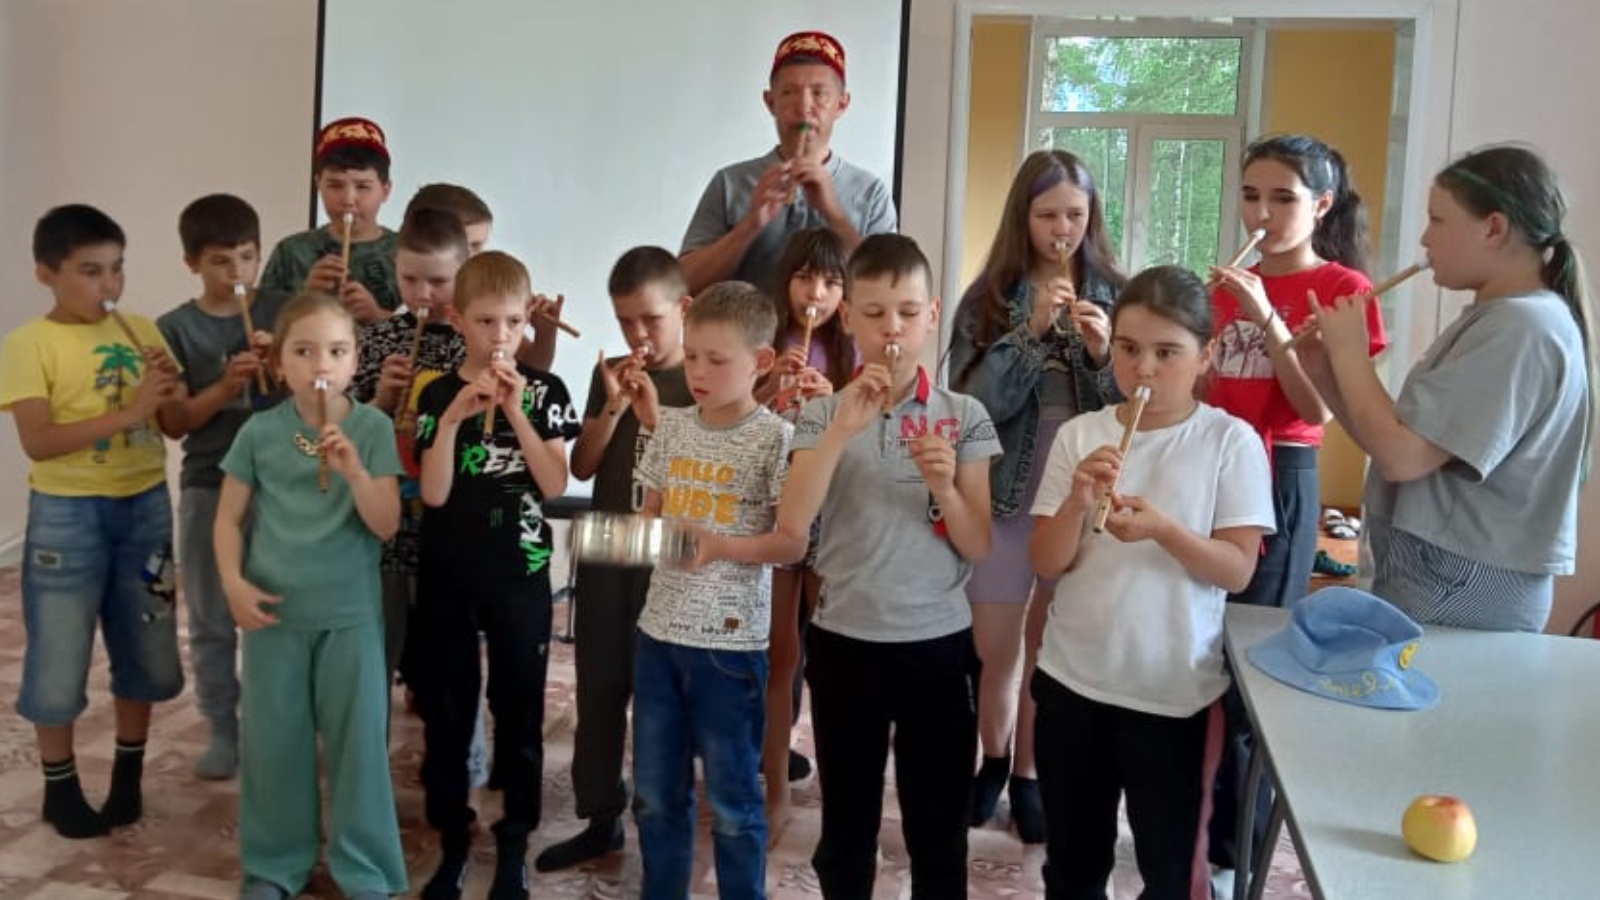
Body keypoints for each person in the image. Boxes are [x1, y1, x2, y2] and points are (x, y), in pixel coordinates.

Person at [1028, 265, 1275, 900]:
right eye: (1130, 349)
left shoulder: (1230, 442)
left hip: (1172, 698)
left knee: (1170, 873)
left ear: (1205, 356)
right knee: (1073, 868)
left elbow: (1237, 568)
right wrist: (1077, 501)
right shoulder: (1082, 435)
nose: (1144, 369)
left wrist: (1164, 530)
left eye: (1167, 353)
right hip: (1072, 683)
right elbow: (1047, 563)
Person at [775, 234, 1000, 898]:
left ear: (932, 315)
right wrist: (842, 428)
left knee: (939, 830)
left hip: (938, 645)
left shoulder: (964, 416)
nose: (891, 329)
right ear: (847, 318)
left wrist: (946, 489)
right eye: (873, 313)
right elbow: (793, 525)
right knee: (847, 828)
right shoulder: (821, 414)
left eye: (906, 312)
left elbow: (978, 543)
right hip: (845, 642)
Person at [1304, 144, 1593, 633]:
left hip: (1466, 582)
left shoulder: (1522, 326)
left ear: (1493, 228)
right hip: (1447, 573)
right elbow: (1393, 442)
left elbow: (1402, 457)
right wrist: (1323, 367)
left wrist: (1352, 354)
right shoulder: (1503, 319)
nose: (1425, 238)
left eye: (1437, 220)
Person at [946, 149, 1124, 841]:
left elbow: (1133, 410)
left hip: (1074, 499)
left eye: (1075, 214)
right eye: (1048, 215)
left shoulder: (1116, 292)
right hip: (1002, 495)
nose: (1063, 229)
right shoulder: (989, 297)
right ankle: (990, 756)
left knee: (1046, 647)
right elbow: (971, 405)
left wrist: (1106, 356)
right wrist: (1030, 335)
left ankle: (1027, 774)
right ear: (1023, 216)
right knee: (992, 646)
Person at [0, 204, 184, 838]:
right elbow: (40, 441)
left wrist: (173, 392)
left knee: (147, 643)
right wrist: (131, 411)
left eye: (117, 268)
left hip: (146, 504)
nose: (109, 285)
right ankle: (60, 788)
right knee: (59, 648)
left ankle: (129, 779)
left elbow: (174, 425)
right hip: (66, 514)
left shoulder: (142, 331)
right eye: (90, 271)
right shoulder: (27, 344)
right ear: (45, 273)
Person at [215, 292, 406, 900]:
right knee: (274, 744)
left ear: (355, 362)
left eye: (337, 350)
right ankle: (275, 866)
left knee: (358, 749)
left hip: (349, 616)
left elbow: (386, 524)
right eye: (303, 351)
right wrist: (233, 583)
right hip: (274, 614)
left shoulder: (373, 428)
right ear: (279, 362)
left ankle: (365, 869)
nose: (321, 363)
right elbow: (227, 520)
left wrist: (354, 471)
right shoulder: (258, 432)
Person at [409, 251, 579, 900]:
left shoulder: (546, 391)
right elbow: (434, 493)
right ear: (458, 320)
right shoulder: (435, 392)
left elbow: (555, 483)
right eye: (485, 322)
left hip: (520, 576)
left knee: (520, 710)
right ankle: (453, 841)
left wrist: (515, 412)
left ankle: (514, 841)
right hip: (448, 575)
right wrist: (454, 418)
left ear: (527, 318)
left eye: (512, 321)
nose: (500, 335)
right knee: (449, 713)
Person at [632, 280, 797, 899]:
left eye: (716, 360)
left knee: (732, 804)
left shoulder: (775, 438)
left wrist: (719, 546)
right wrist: (643, 533)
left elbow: (790, 545)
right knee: (654, 796)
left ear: (761, 362)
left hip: (730, 650)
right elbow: (649, 514)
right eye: (693, 356)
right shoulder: (672, 427)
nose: (698, 371)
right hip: (658, 638)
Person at [534, 247, 695, 872]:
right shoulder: (614, 374)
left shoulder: (702, 379)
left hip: (670, 553)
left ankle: (660, 826)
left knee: (660, 697)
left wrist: (654, 417)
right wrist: (611, 406)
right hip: (607, 547)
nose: (637, 334)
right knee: (599, 688)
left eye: (650, 318)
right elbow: (582, 465)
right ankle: (601, 817)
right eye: (626, 320)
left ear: (683, 309)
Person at [157, 193, 288, 780]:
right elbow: (174, 421)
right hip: (209, 482)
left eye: (247, 257)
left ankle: (271, 724)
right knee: (211, 615)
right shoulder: (175, 328)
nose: (237, 272)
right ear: (192, 262)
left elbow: (317, 390)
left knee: (277, 613)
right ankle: (221, 726)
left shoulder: (283, 310)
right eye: (220, 261)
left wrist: (279, 366)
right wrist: (223, 387)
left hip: (280, 484)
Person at [679, 30, 896, 294]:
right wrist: (750, 225)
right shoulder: (729, 183)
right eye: (788, 92)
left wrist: (834, 213)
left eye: (819, 93)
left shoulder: (870, 192)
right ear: (770, 102)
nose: (803, 106)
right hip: (748, 324)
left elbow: (892, 288)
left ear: (841, 104)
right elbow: (682, 285)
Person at [259, 116, 400, 324]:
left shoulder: (405, 252)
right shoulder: (290, 252)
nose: (348, 200)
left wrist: (379, 316)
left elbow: (432, 329)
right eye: (335, 186)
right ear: (318, 185)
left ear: (385, 190)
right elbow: (260, 326)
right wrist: (306, 298)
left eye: (363, 187)